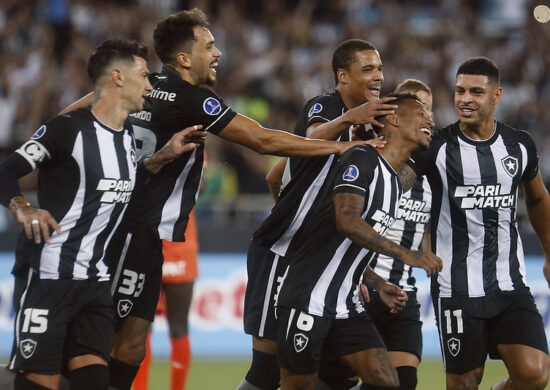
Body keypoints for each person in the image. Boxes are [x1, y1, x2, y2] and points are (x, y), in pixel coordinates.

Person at [61, 10, 381, 390]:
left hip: (131, 231)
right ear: (184, 58)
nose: (218, 53)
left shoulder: (140, 83)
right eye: (208, 46)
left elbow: (66, 120)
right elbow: (263, 141)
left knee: (131, 343)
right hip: (131, 230)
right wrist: (338, 148)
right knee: (109, 339)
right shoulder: (193, 98)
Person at [0, 39, 203, 390]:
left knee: (96, 380)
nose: (151, 85)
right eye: (144, 75)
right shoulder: (65, 130)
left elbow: (120, 188)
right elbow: (6, 171)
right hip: (49, 276)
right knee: (39, 381)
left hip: (94, 283)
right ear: (118, 78)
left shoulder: (125, 138)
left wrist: (161, 157)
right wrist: (23, 207)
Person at [238, 39, 399, 390]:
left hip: (321, 267)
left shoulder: (374, 129)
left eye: (380, 69)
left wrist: (364, 277)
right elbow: (311, 136)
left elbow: (274, 175)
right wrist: (348, 119)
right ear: (343, 75)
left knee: (338, 372)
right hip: (280, 254)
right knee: (268, 369)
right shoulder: (325, 106)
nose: (378, 76)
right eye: (368, 69)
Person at [397, 57, 550, 390]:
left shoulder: (519, 145)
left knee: (535, 374)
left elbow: (537, 199)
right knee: (465, 383)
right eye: (460, 90)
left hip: (510, 284)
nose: (465, 98)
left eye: (476, 92)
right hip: (456, 289)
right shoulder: (434, 148)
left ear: (496, 95)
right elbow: (393, 189)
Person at [275, 93, 441, 390]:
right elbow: (347, 222)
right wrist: (409, 255)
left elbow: (346, 248)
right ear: (393, 119)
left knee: (388, 382)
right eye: (420, 113)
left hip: (346, 306)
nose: (430, 120)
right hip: (306, 298)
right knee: (297, 385)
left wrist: (378, 284)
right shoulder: (361, 157)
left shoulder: (394, 181)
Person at [358, 79, 434, 390]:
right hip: (360, 291)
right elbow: (344, 225)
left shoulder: (433, 172)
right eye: (416, 107)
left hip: (404, 293)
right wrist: (362, 277)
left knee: (402, 382)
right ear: (394, 114)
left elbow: (428, 228)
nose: (424, 116)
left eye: (427, 109)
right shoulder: (367, 160)